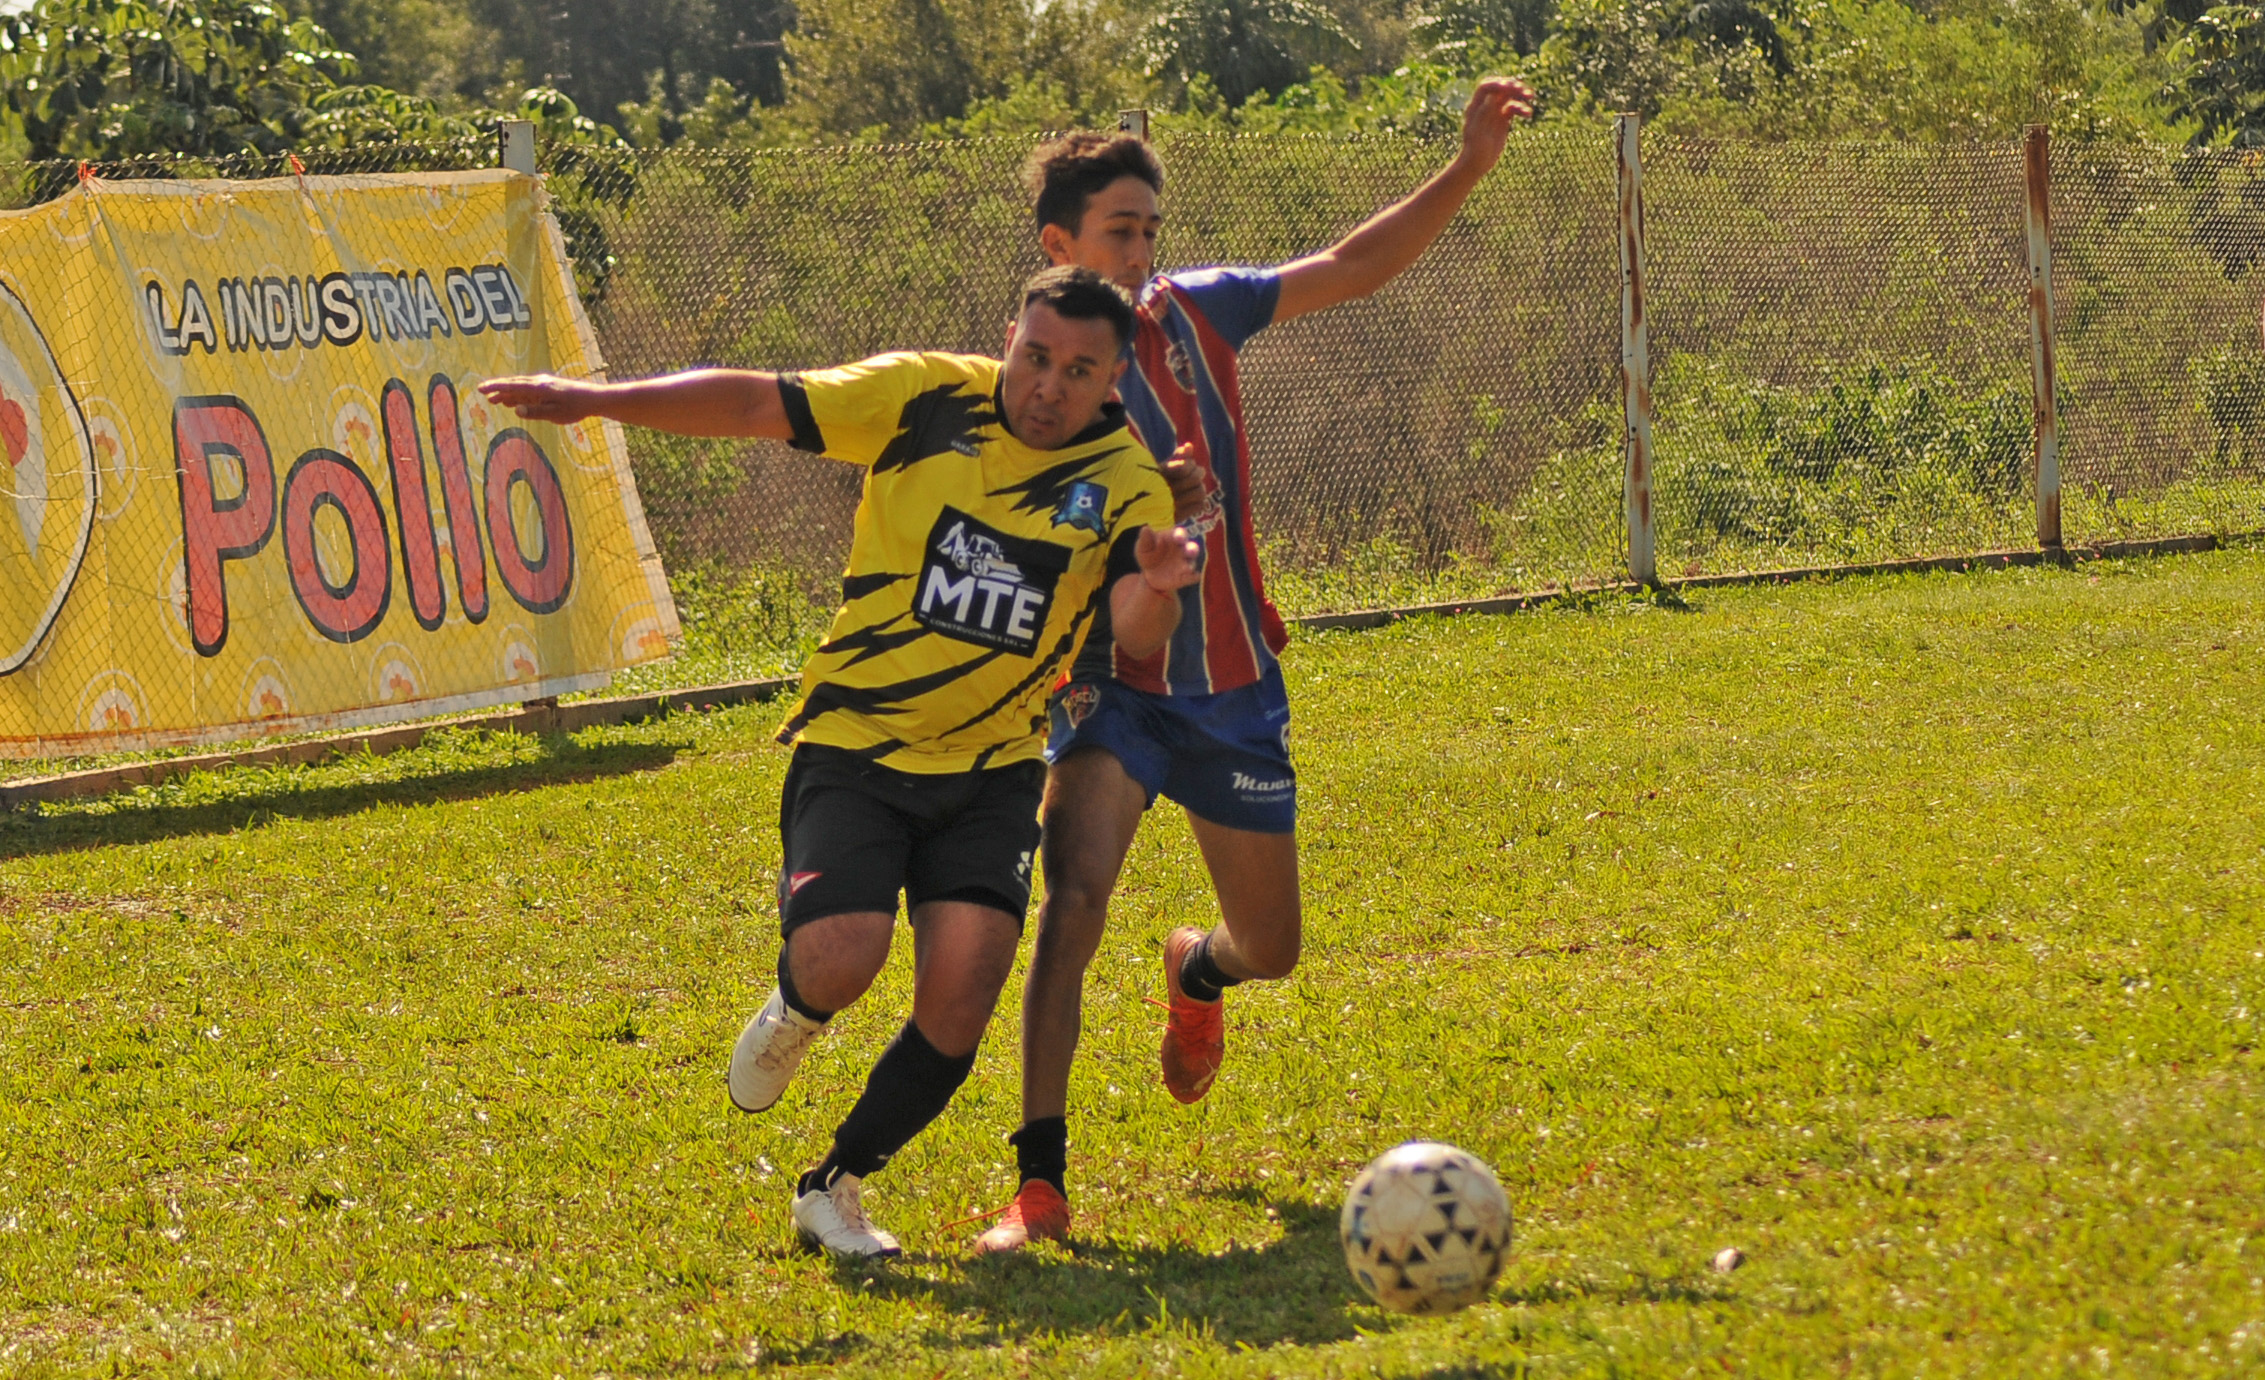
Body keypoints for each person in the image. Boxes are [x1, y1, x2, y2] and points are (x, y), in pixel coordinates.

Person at [480, 266, 1199, 1259]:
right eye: (1034, 357)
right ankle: (798, 1006)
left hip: (991, 768)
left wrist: (1157, 584)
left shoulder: (1126, 482)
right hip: (857, 744)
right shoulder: (925, 397)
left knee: (964, 992)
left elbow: (1135, 630)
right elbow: (752, 402)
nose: (1047, 386)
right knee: (841, 956)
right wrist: (599, 401)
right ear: (1009, 338)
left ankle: (835, 1186)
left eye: (1079, 371)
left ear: (1114, 377)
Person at [977, 79, 1538, 1254]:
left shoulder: (1201, 312)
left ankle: (1199, 973)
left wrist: (1469, 166)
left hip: (1231, 689)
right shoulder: (1034, 382)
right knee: (1070, 904)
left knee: (1272, 949)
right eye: (1118, 230)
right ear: (1059, 244)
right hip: (1112, 689)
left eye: (1149, 229)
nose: (1140, 251)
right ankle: (1039, 1185)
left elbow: (1351, 265)